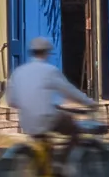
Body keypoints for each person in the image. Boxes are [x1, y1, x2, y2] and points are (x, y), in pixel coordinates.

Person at [6, 37, 96, 173]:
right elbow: (69, 91)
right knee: (74, 129)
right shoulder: (49, 70)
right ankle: (62, 165)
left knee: (46, 143)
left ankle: (46, 166)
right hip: (46, 118)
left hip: (26, 121)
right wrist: (89, 102)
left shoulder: (18, 72)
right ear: (46, 53)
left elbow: (12, 100)